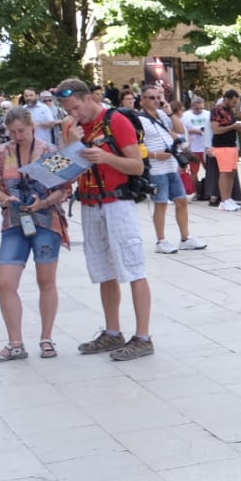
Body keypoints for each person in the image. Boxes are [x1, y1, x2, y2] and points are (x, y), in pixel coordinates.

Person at [54, 78, 156, 361]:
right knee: (103, 270)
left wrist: (105, 158)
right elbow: (63, 173)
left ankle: (143, 337)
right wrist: (68, 143)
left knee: (133, 268)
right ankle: (113, 332)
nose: (74, 114)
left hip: (118, 203)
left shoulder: (116, 121)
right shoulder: (74, 129)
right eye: (68, 109)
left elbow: (136, 166)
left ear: (88, 98)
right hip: (89, 204)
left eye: (76, 107)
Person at [0, 106, 73, 362]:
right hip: (14, 221)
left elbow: (64, 188)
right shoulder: (2, 153)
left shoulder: (49, 151)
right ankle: (15, 343)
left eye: (21, 130)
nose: (17, 136)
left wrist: (43, 203)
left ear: (31, 127)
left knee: (46, 281)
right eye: (12, 132)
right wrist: (6, 198)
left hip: (45, 221)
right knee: (4, 283)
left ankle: (46, 337)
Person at [133, 85, 203, 252]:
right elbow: (135, 147)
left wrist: (169, 111)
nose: (156, 100)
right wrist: (155, 155)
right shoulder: (139, 119)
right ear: (142, 100)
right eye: (152, 98)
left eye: (158, 97)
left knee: (182, 200)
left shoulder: (162, 115)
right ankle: (161, 241)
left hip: (171, 165)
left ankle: (185, 238)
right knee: (161, 203)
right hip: (157, 168)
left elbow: (179, 130)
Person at [209, 90, 241, 211]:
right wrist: (233, 127)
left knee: (231, 173)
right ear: (226, 99)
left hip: (231, 144)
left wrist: (237, 128)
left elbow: (230, 127)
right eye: (233, 102)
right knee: (224, 173)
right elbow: (216, 130)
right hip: (221, 145)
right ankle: (223, 200)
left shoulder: (230, 111)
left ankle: (228, 198)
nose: (234, 105)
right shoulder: (216, 111)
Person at [181, 95, 212, 203]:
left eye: (201, 108)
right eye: (196, 108)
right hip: (193, 147)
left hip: (206, 146)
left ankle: (209, 190)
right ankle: (196, 192)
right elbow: (181, 130)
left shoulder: (208, 114)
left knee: (210, 170)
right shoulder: (185, 116)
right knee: (194, 171)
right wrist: (193, 131)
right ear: (192, 107)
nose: (199, 110)